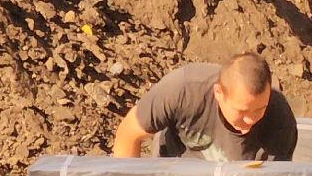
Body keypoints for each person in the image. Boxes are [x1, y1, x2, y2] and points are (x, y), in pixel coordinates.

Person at [111, 52, 298, 161]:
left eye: (259, 109)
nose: (250, 119)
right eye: (241, 111)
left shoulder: (280, 118)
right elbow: (129, 133)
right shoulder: (184, 91)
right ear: (218, 93)